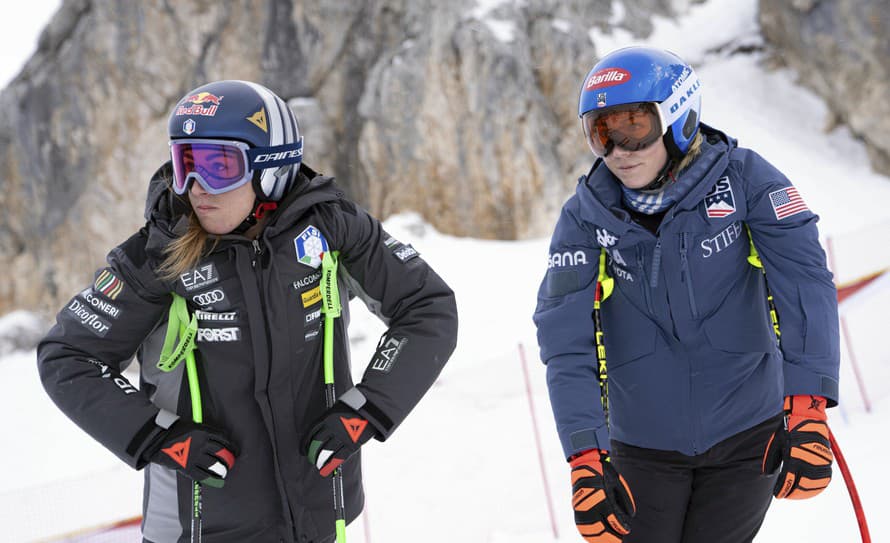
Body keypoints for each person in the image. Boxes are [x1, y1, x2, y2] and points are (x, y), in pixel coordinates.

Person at [37, 80, 458, 543]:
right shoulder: (157, 255)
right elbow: (69, 357)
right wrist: (160, 437)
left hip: (319, 518)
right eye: (185, 164)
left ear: (271, 168)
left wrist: (369, 409)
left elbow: (426, 307)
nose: (196, 187)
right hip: (199, 529)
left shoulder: (330, 228)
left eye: (218, 166)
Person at [533, 46, 839, 543]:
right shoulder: (585, 219)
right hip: (642, 448)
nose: (618, 151)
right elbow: (565, 340)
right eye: (601, 133)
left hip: (748, 435)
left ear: (678, 116)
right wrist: (585, 455)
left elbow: (804, 281)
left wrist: (808, 404)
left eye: (633, 127)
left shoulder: (745, 181)